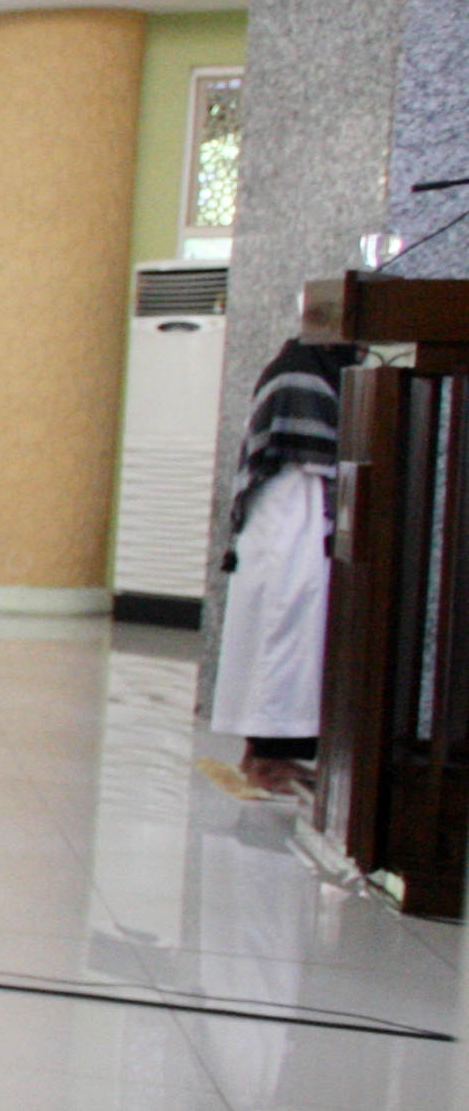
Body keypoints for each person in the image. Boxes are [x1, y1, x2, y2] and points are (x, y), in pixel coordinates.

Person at [213, 334, 362, 797]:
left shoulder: (304, 365)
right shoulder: (303, 374)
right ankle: (269, 761)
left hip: (286, 530)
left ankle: (267, 754)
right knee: (284, 640)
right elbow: (319, 454)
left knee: (279, 641)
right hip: (289, 527)